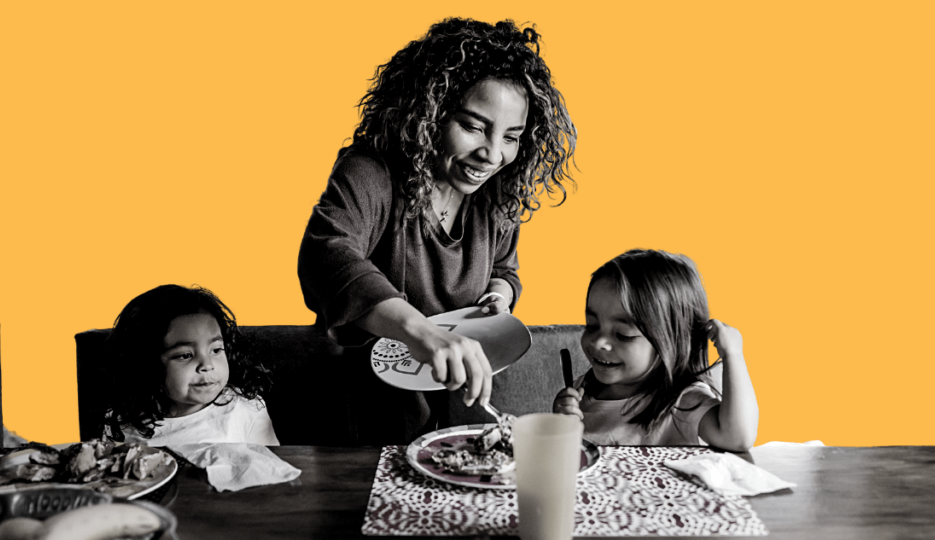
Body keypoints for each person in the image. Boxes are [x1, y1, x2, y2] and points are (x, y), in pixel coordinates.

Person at [298, 18, 576, 443]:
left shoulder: (497, 195)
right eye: (473, 126)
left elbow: (505, 269)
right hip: (370, 418)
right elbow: (324, 253)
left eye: (511, 137)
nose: (492, 155)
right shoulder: (373, 173)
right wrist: (423, 333)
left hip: (466, 407)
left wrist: (499, 298)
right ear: (428, 113)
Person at [553, 250, 759, 451]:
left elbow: (738, 438)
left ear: (670, 342)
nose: (598, 342)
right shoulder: (582, 390)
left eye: (623, 334)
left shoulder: (683, 402)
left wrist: (733, 355)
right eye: (591, 325)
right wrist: (561, 424)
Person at [101, 285, 279, 446]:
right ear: (145, 364)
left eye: (216, 350)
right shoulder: (121, 420)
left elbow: (274, 469)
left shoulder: (246, 409)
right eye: (185, 355)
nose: (207, 365)